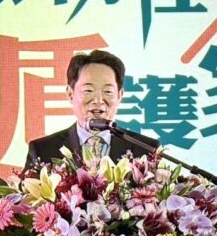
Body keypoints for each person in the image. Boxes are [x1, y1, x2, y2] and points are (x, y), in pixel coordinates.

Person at [24, 50, 159, 169]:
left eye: (108, 91)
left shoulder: (146, 149)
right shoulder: (42, 150)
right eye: (88, 90)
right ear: (70, 94)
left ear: (120, 95)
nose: (98, 100)